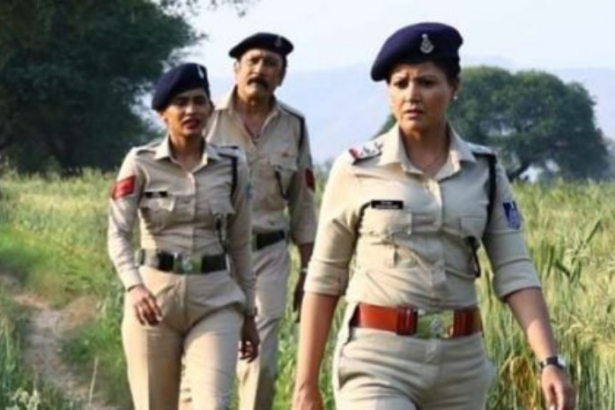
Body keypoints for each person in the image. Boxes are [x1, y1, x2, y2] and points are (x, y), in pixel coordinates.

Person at [292, 22, 575, 410]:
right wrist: (305, 384)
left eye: (426, 82)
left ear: (453, 88)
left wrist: (550, 362)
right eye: (400, 83)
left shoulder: (486, 171)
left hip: (461, 367)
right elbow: (325, 277)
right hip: (376, 362)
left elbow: (516, 270)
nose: (412, 95)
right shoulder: (356, 169)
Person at [107, 62, 259, 410]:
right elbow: (118, 232)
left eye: (199, 101)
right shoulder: (140, 162)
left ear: (210, 108)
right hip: (153, 302)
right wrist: (134, 286)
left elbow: (240, 244)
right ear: (163, 113)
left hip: (215, 300)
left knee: (213, 404)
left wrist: (249, 313)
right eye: (181, 103)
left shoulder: (233, 165)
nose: (191, 110)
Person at [180, 32, 317, 410]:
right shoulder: (205, 117)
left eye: (271, 64)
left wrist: (309, 272)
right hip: (212, 255)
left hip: (268, 255)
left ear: (281, 76)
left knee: (260, 361)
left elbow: (303, 203)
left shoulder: (294, 125)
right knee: (204, 360)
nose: (260, 69)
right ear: (236, 69)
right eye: (253, 61)